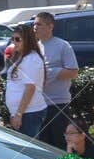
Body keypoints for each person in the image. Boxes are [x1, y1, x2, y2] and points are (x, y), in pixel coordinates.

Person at [32, 11, 79, 146]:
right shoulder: (34, 48)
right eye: (34, 24)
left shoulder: (62, 46)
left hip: (58, 105)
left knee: (59, 146)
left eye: (39, 24)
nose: (35, 27)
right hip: (38, 106)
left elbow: (73, 71)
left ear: (50, 26)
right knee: (43, 146)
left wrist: (50, 72)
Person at [3, 21, 49, 137]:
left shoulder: (31, 59)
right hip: (23, 112)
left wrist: (19, 114)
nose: (14, 42)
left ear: (27, 40)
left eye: (17, 39)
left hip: (29, 113)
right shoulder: (21, 56)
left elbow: (30, 88)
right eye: (12, 39)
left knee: (29, 152)